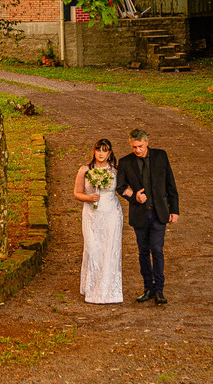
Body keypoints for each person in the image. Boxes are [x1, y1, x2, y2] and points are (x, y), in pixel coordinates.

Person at [116, 128, 179, 305]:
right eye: (134, 147)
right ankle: (148, 288)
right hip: (140, 214)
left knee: (157, 250)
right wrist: (134, 195)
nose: (137, 150)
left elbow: (170, 184)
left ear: (147, 142)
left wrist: (174, 210)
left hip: (159, 213)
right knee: (143, 251)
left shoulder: (161, 156)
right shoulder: (125, 162)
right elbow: (120, 187)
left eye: (140, 146)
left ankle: (159, 289)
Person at [73, 138, 123, 304]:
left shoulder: (115, 170)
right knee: (93, 249)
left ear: (109, 153)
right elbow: (77, 193)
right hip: (92, 214)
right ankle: (92, 287)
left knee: (109, 249)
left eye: (105, 151)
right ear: (94, 151)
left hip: (111, 214)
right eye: (98, 150)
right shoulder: (85, 169)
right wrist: (89, 197)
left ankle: (108, 290)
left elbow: (123, 188)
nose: (101, 154)